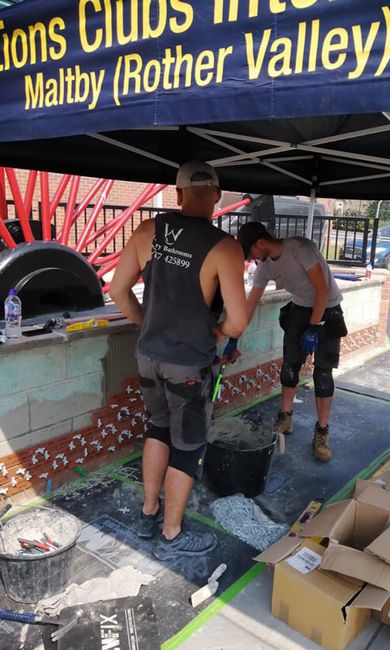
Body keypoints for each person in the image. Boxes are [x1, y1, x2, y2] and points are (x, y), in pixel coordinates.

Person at [110, 161, 247, 559]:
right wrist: (218, 332)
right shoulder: (225, 248)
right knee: (187, 448)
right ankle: (171, 534)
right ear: (218, 195)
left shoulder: (147, 231)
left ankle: (149, 510)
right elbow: (237, 320)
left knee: (158, 429)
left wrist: (146, 324)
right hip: (188, 364)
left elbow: (118, 290)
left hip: (148, 356)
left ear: (178, 194)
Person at [237, 221, 347, 461]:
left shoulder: (299, 248)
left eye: (251, 253)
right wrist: (234, 338)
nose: (252, 259)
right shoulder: (264, 266)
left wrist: (314, 327)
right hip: (300, 307)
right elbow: (251, 303)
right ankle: (285, 418)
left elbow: (323, 290)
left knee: (323, 374)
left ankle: (322, 431)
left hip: (327, 309)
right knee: (290, 367)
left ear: (260, 243)